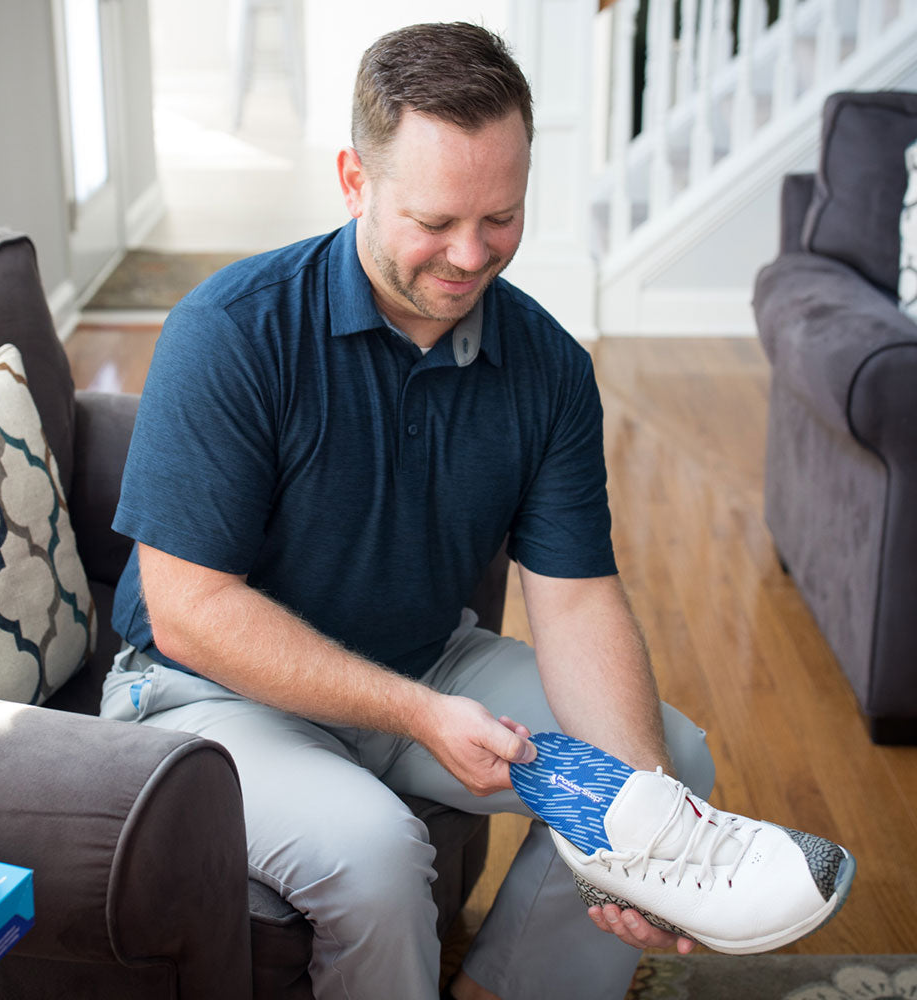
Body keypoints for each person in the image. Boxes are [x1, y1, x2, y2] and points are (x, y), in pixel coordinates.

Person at [100, 21, 715, 1000]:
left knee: (667, 765)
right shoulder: (232, 331)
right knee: (377, 853)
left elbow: (577, 602)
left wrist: (636, 822)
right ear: (354, 179)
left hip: (421, 660)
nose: (470, 257)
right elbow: (187, 608)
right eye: (434, 220)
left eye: (501, 217)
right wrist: (416, 713)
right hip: (206, 698)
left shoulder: (549, 368)